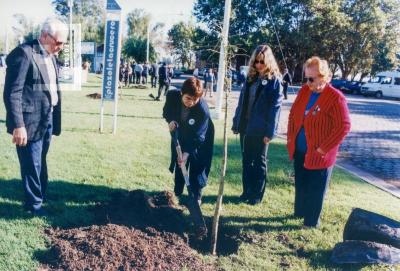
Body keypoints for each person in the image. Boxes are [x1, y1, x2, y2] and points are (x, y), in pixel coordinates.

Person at [3, 18, 68, 216]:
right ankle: (34, 206)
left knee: (40, 160)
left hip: (45, 119)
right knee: (31, 163)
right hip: (28, 122)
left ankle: (40, 196)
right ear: (44, 36)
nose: (60, 47)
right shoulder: (24, 53)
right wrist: (18, 125)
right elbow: (12, 93)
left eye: (64, 43)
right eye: (58, 42)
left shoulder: (50, 55)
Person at [287, 56, 351, 227]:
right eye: (306, 77)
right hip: (301, 150)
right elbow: (293, 115)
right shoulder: (304, 91)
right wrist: (291, 139)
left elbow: (343, 126)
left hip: (320, 155)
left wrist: (323, 149)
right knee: (301, 183)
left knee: (316, 189)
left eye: (311, 78)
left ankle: (310, 221)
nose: (307, 82)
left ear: (324, 77)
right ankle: (299, 213)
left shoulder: (335, 97)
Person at [232, 44, 283, 205]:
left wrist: (270, 132)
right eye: (256, 62)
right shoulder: (250, 79)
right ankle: (246, 191)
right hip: (246, 127)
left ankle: (256, 195)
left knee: (259, 162)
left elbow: (275, 109)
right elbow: (241, 103)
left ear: (268, 62)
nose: (259, 65)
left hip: (261, 130)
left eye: (262, 62)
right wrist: (236, 122)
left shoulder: (275, 82)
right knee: (246, 161)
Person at [162, 77, 214, 205]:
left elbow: (199, 137)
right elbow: (167, 111)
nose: (191, 102)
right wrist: (171, 121)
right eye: (188, 98)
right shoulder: (172, 96)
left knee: (197, 165)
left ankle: (196, 196)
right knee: (180, 163)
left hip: (202, 138)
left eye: (195, 100)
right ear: (182, 93)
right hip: (181, 134)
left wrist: (187, 152)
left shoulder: (203, 110)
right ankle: (177, 193)